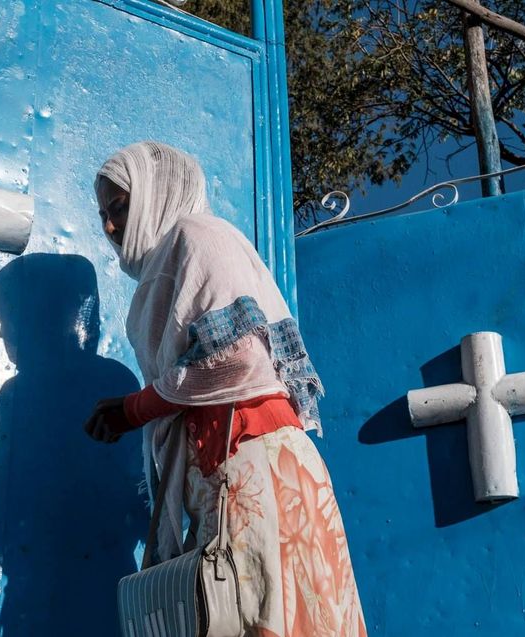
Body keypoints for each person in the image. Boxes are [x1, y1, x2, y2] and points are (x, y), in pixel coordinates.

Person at [84, 141, 367, 637]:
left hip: (252, 467)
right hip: (228, 477)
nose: (110, 227)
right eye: (104, 214)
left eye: (120, 207)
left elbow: (235, 355)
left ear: (157, 193)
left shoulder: (199, 236)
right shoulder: (169, 259)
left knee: (267, 616)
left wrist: (136, 408)